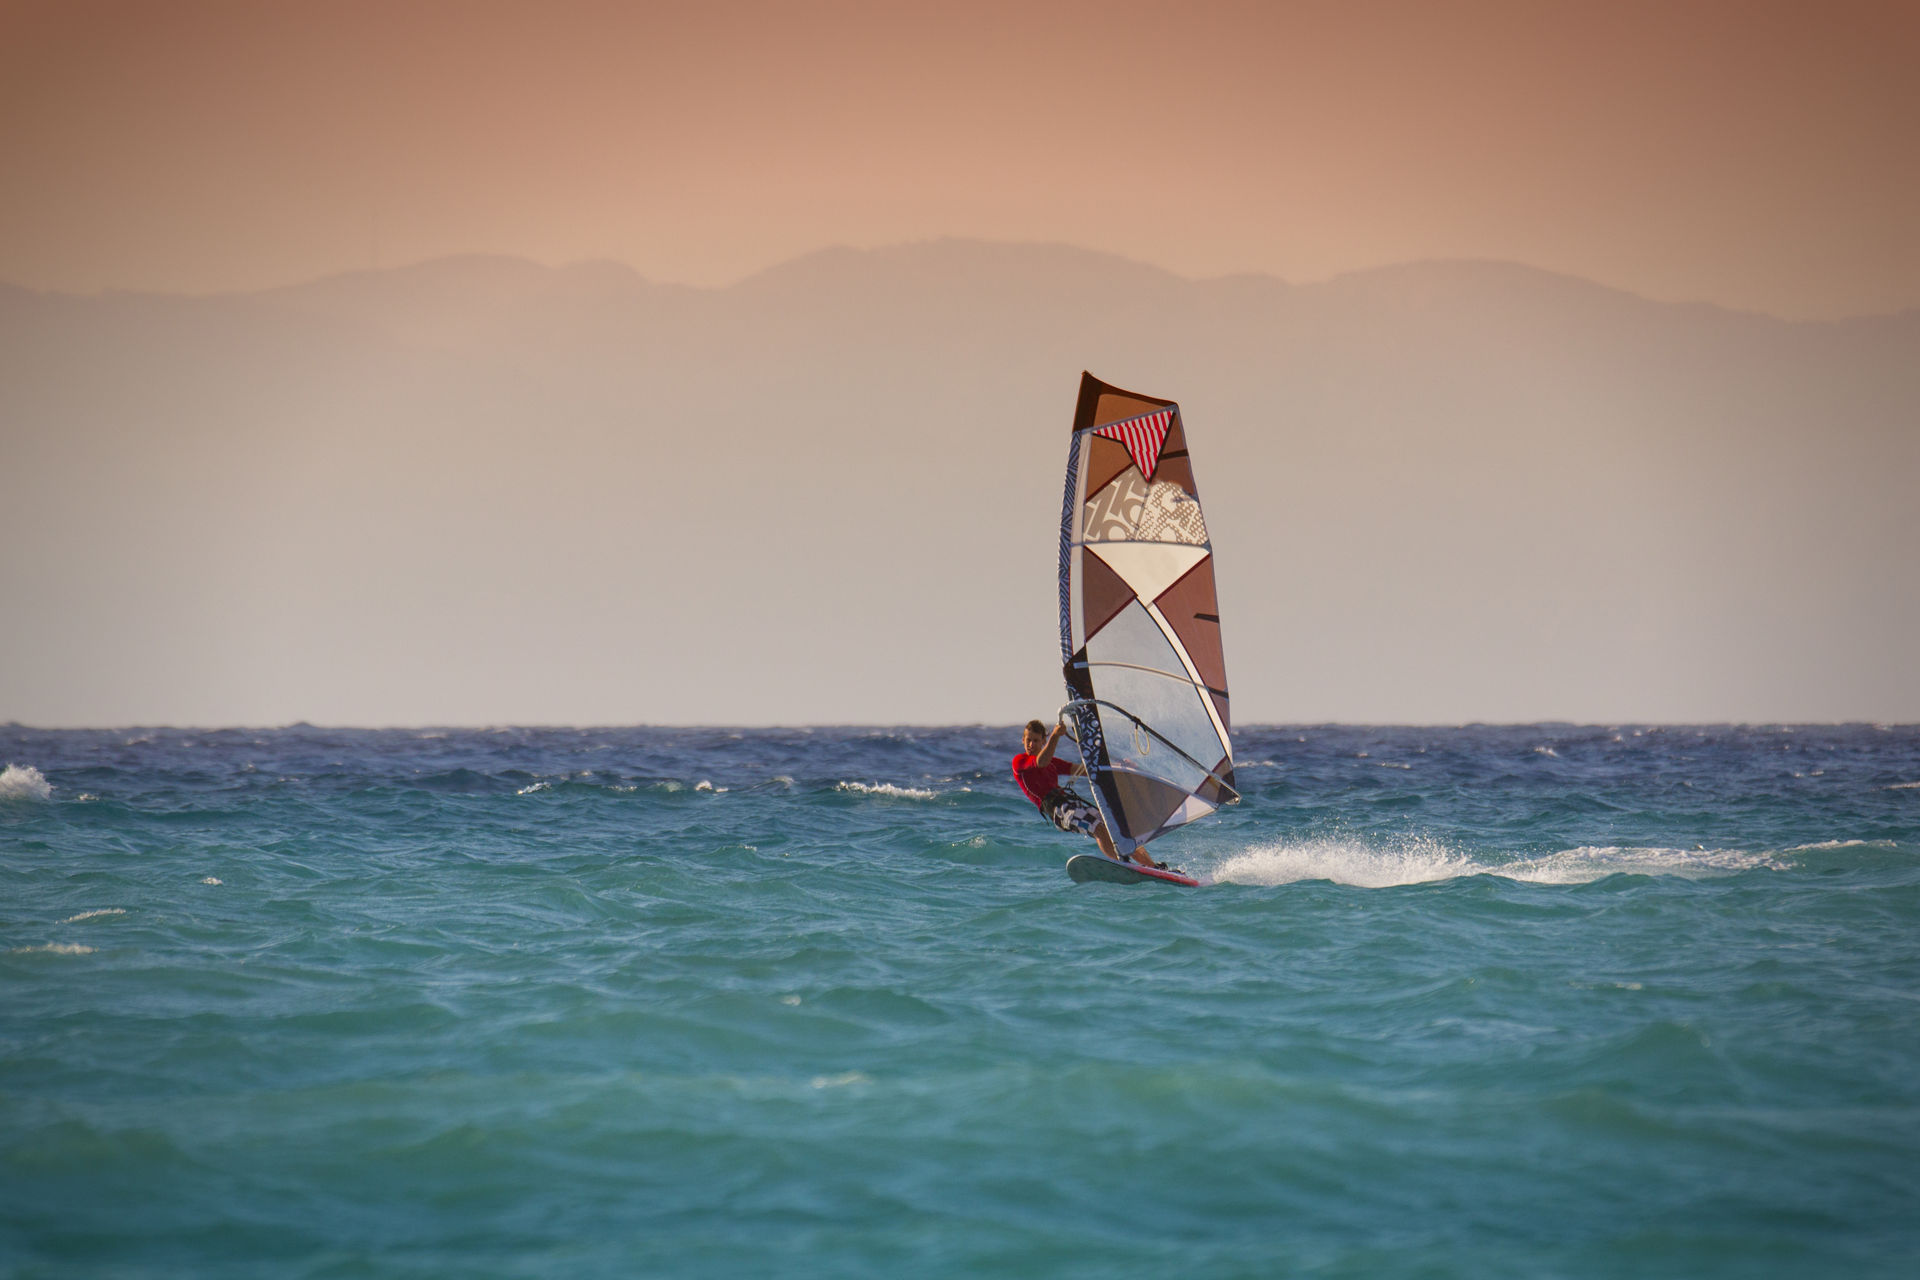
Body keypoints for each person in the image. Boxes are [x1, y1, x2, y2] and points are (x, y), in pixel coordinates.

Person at [1011, 719, 1162, 868]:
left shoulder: (1052, 762)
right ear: (1023, 740)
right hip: (1059, 811)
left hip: (1071, 803)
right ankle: (1124, 864)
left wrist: (1119, 766)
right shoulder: (1019, 761)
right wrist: (1055, 736)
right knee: (1097, 826)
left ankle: (1153, 867)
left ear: (1043, 741)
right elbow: (1041, 762)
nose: (1031, 744)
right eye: (1028, 740)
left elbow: (1083, 770)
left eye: (1036, 741)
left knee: (1115, 827)